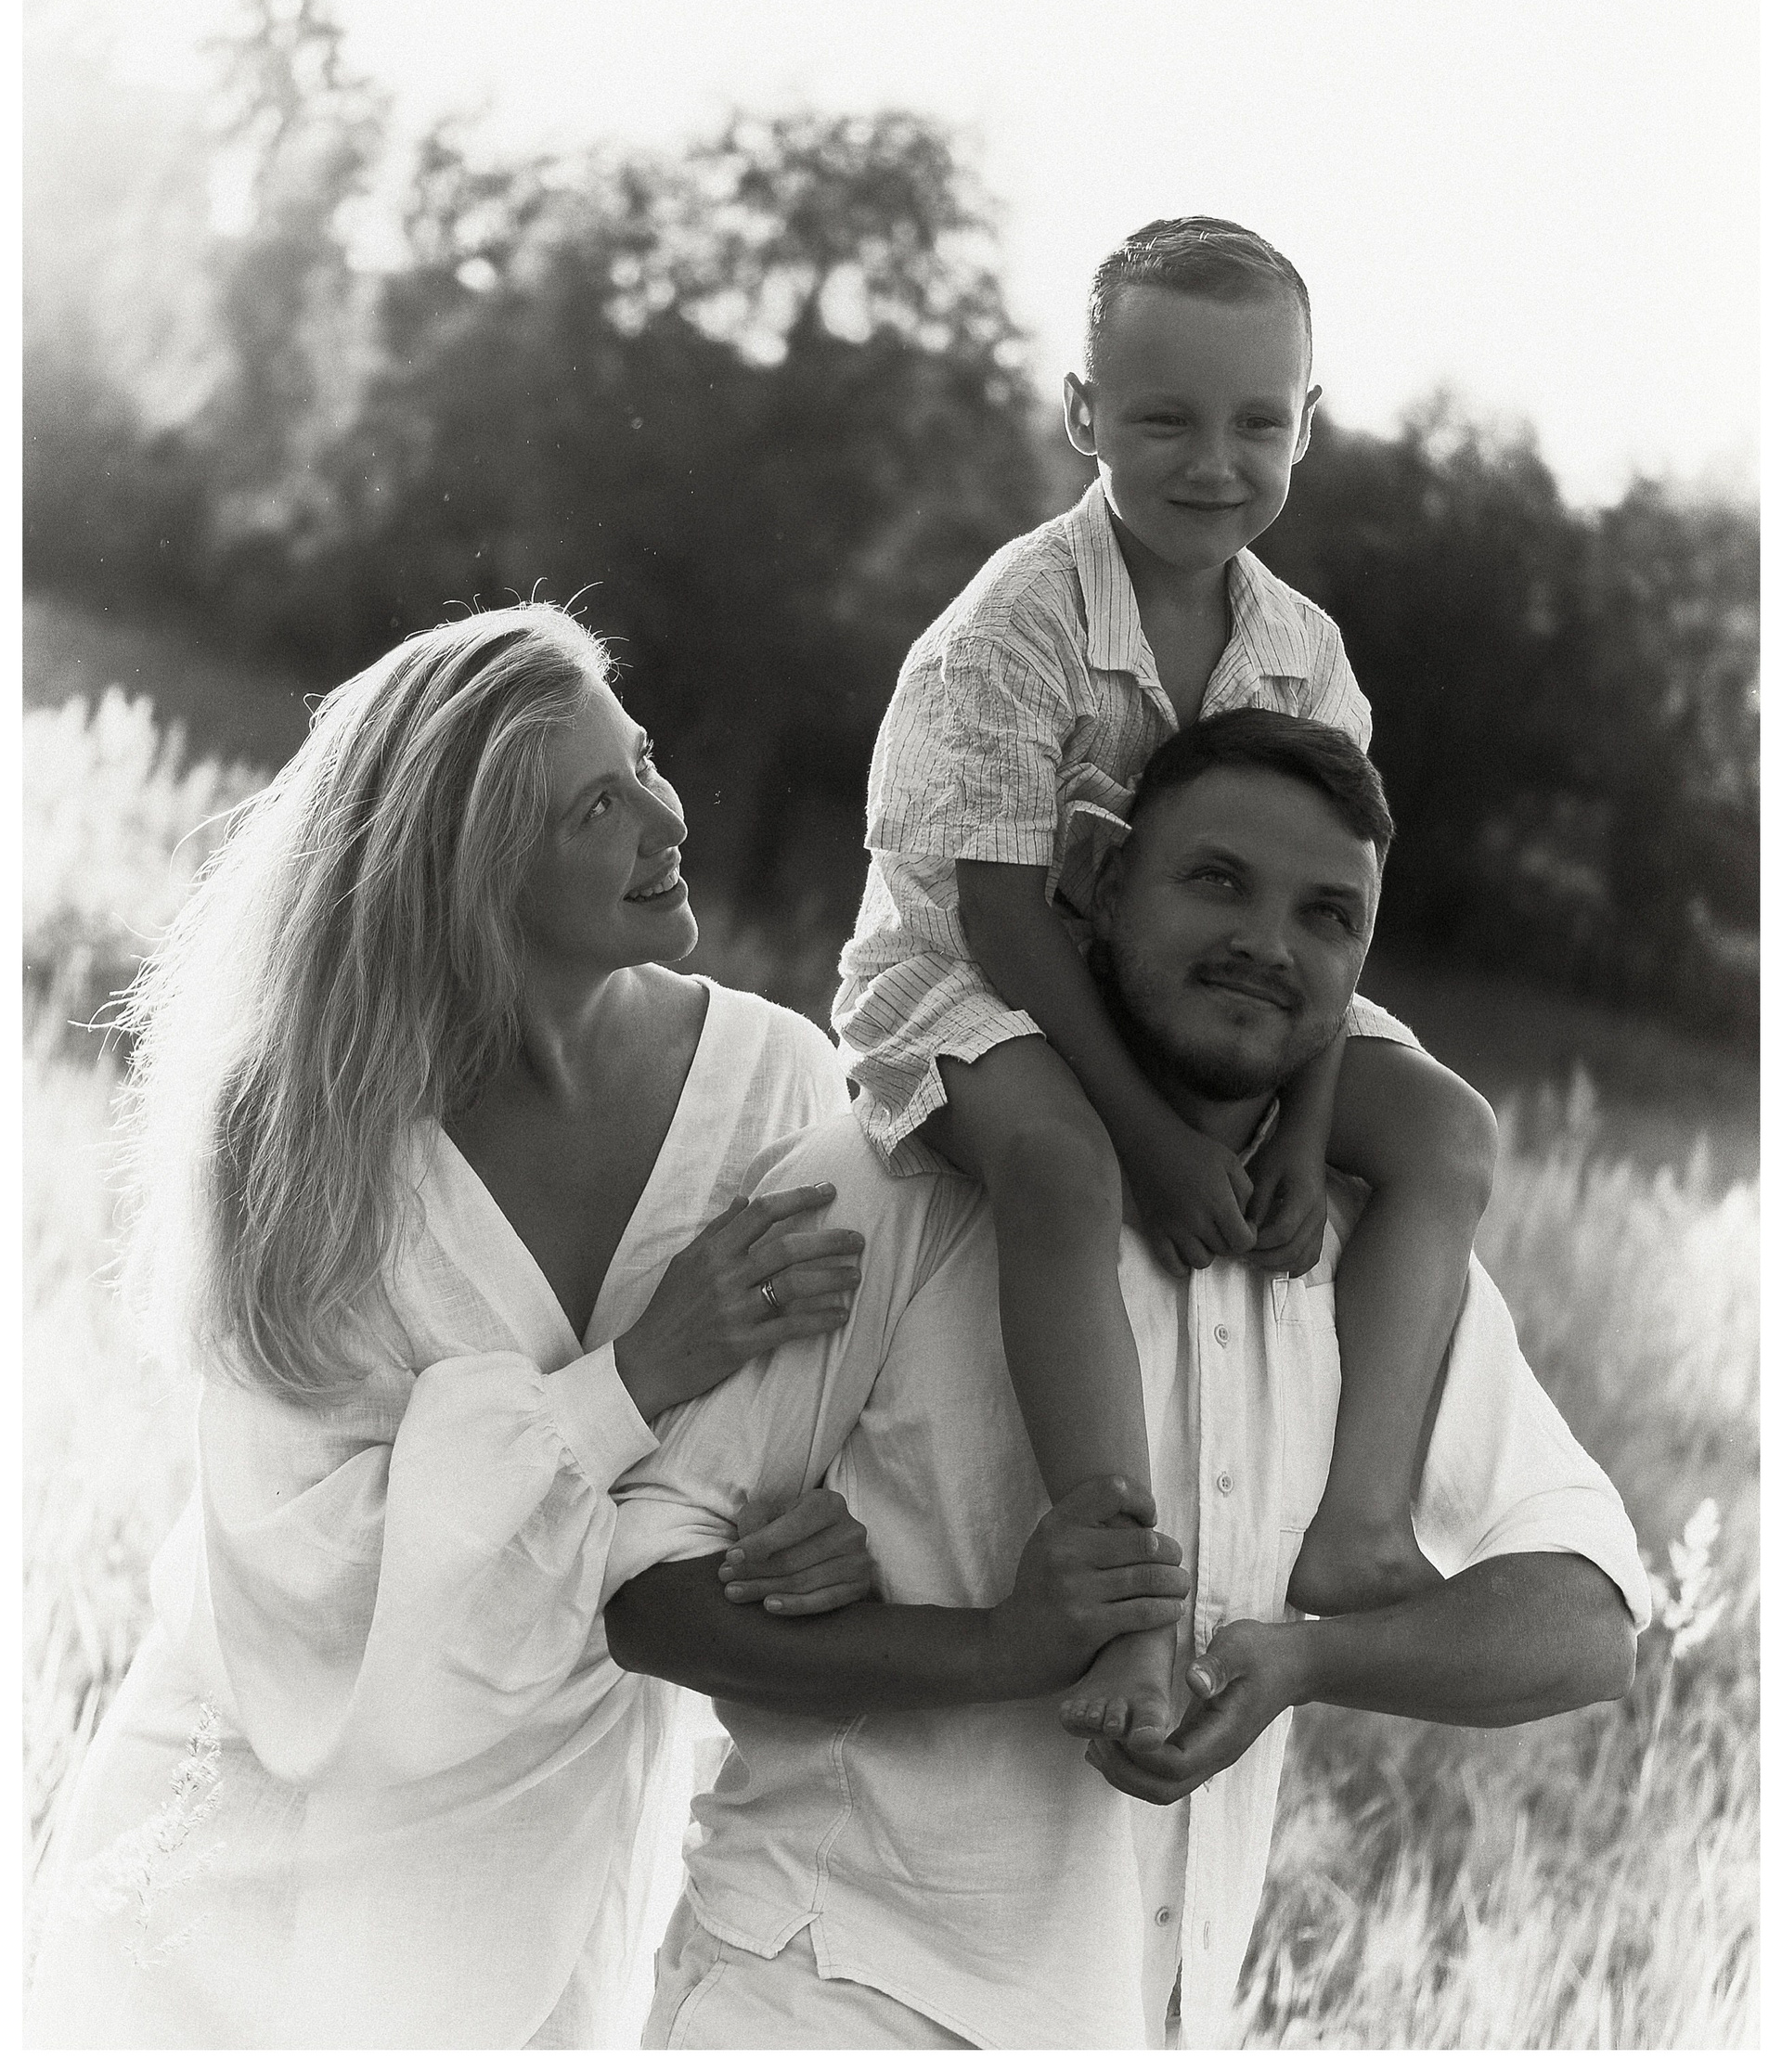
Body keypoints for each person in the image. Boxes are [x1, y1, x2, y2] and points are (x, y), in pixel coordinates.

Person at [604, 710, 1649, 2051]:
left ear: (1359, 972)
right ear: (1102, 889)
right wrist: (999, 1647)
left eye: (1327, 915)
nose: (1268, 943)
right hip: (826, 1994)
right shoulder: (898, 1180)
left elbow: (1589, 1623)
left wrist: (1307, 1662)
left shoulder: (1366, 1255)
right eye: (1217, 880)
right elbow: (646, 1589)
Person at [25, 605, 890, 2047]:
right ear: (473, 871)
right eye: (596, 806)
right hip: (229, 1880)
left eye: (644, 759)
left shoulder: (774, 1089)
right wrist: (637, 1376)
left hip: (530, 1886)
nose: (668, 818)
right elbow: (312, 1570)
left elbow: (822, 1437)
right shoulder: (302, 1136)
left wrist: (827, 1533)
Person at [832, 215, 1501, 1749]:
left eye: (1258, 423)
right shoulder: (1013, 624)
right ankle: (1125, 1604)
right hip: (976, 977)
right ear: (1083, 414)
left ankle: (1360, 1524)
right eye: (1163, 421)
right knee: (1062, 1167)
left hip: (1218, 983)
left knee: (1448, 1134)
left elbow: (1336, 917)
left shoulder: (1306, 655)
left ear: (1307, 425)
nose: (1215, 463)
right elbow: (1004, 916)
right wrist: (1152, 1138)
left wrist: (1303, 1117)